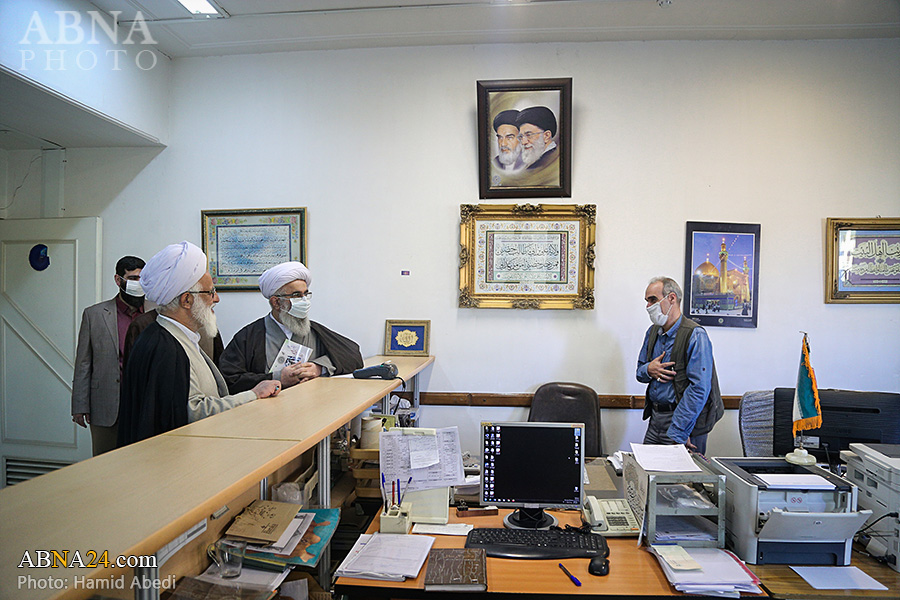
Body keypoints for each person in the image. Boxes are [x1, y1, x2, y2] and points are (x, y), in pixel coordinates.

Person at [117, 241, 280, 447]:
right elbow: (192, 412)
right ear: (186, 300)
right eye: (210, 292)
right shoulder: (165, 348)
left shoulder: (176, 337)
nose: (216, 299)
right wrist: (254, 395)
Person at [219, 261, 363, 394]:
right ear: (276, 302)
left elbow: (353, 355)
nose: (304, 301)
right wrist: (277, 378)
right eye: (296, 295)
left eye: (306, 294)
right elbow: (229, 379)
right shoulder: (248, 337)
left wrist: (319, 368)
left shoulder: (315, 331)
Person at [635, 276, 723, 455]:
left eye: (653, 300)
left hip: (685, 420)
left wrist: (680, 430)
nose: (648, 306)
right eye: (647, 301)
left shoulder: (695, 335)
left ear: (671, 298)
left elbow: (699, 389)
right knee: (647, 468)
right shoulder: (652, 333)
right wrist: (649, 369)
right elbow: (640, 372)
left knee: (681, 473)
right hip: (655, 419)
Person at [71, 256, 147, 455]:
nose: (138, 283)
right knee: (105, 463)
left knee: (143, 461)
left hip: (144, 404)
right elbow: (84, 363)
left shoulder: (155, 313)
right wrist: (79, 405)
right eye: (133, 278)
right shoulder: (94, 315)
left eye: (143, 278)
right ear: (118, 280)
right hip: (106, 404)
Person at [515, 106, 559, 170]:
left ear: (546, 136)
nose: (523, 142)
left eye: (529, 135)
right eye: (521, 136)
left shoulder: (549, 163)